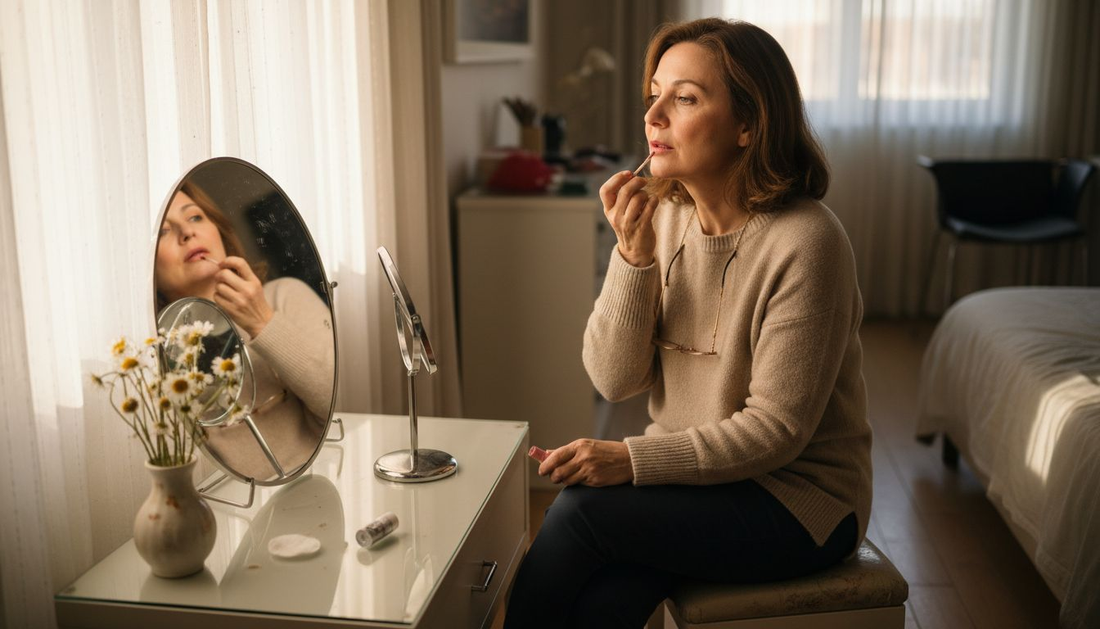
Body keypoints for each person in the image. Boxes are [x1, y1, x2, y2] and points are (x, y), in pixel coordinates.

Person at [503, 18, 871, 628]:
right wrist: (633, 258)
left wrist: (629, 461)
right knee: (605, 601)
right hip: (700, 486)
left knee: (579, 513)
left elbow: (777, 430)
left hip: (799, 504)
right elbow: (614, 379)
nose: (654, 115)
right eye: (655, 94)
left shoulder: (808, 240)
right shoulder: (666, 218)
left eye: (686, 98)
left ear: (750, 124)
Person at [155, 180, 335, 480]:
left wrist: (262, 322)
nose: (187, 232)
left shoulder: (284, 296)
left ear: (219, 231)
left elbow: (336, 405)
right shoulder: (154, 356)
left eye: (195, 217)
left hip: (325, 477)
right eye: (164, 231)